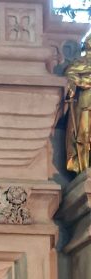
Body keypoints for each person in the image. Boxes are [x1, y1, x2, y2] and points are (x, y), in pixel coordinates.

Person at [65, 34, 91, 174]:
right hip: (86, 102)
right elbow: (71, 75)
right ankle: (84, 167)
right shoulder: (81, 62)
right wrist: (80, 83)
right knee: (83, 135)